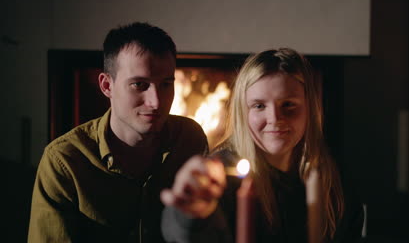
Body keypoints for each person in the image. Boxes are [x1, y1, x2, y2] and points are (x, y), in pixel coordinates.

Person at [28, 22, 208, 242]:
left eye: (166, 84)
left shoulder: (190, 139)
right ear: (107, 86)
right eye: (139, 85)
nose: (156, 102)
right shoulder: (64, 161)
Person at [160, 48, 364, 242]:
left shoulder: (332, 177)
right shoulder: (222, 174)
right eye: (259, 106)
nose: (275, 118)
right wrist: (187, 215)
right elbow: (187, 234)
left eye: (288, 105)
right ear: (243, 112)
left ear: (309, 109)